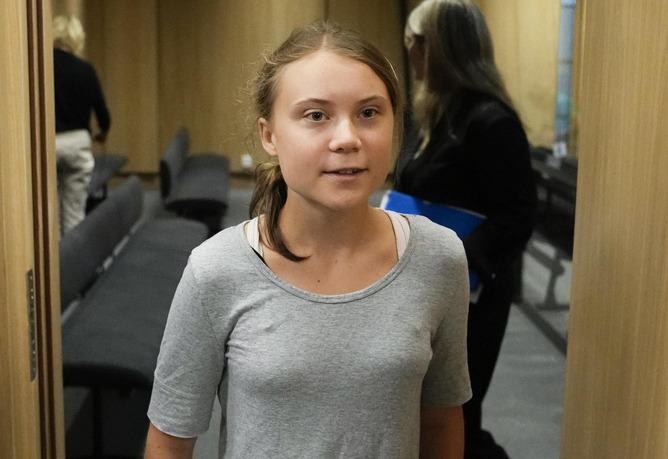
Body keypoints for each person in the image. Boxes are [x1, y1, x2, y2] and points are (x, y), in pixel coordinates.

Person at [145, 20, 471, 459]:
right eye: (316, 116)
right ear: (269, 135)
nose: (347, 139)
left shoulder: (438, 257)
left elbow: (441, 420)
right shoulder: (217, 271)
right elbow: (168, 443)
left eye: (369, 113)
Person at [394, 1, 537, 458]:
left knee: (457, 415)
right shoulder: (435, 113)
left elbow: (516, 217)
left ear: (438, 48)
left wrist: (451, 259)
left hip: (470, 294)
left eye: (414, 42)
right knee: (422, 410)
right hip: (424, 285)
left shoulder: (491, 121)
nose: (409, 52)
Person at [52, 14, 111, 235]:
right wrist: (101, 133)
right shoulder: (85, 70)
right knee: (74, 211)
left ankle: (53, 253)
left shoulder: (42, 68)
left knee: (50, 211)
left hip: (49, 143)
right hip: (77, 142)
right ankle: (72, 253)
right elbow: (103, 115)